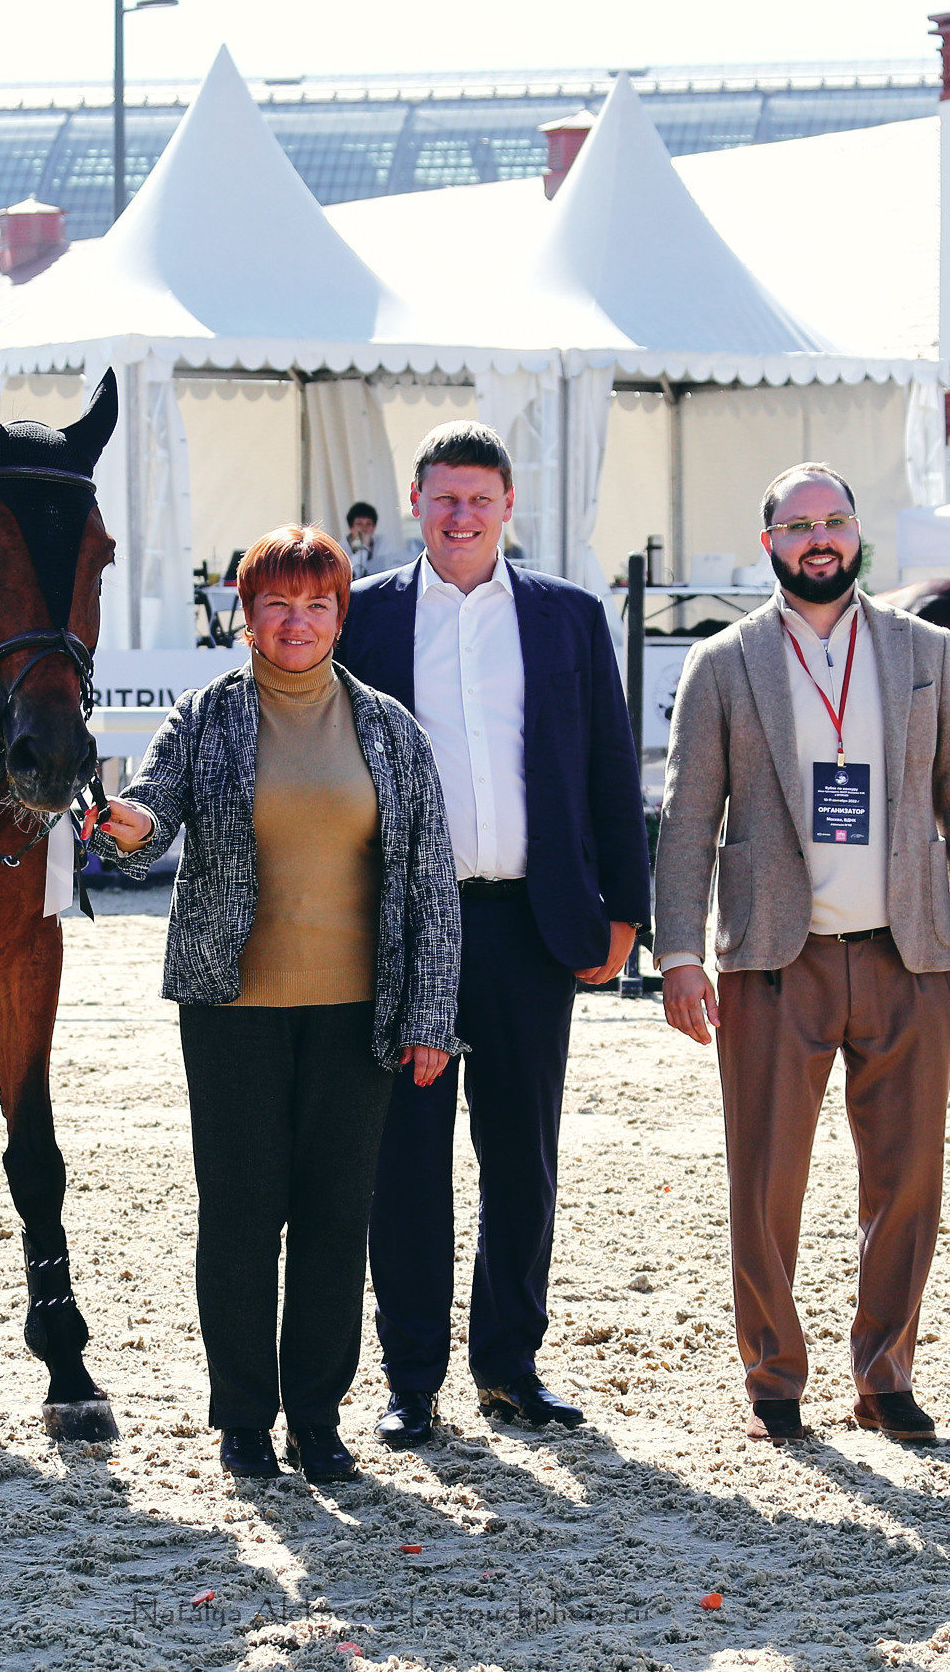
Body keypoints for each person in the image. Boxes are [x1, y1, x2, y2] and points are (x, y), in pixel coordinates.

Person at [88, 527, 462, 1481]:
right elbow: (151, 812)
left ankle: (320, 1419)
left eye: (317, 604)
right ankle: (246, 1421)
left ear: (341, 613)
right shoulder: (205, 717)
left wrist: (429, 1014)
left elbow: (428, 884)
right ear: (246, 616)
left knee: (338, 1217)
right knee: (242, 1214)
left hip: (358, 1016)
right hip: (231, 1008)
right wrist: (127, 826)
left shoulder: (388, 727)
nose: (297, 622)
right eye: (277, 605)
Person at [654, 462, 950, 1447]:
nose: (820, 538)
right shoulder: (722, 663)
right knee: (764, 1181)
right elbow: (686, 819)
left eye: (835, 521)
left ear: (857, 536)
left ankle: (884, 1377)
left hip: (910, 955)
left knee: (906, 1178)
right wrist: (680, 955)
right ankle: (774, 1379)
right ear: (768, 543)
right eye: (799, 524)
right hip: (773, 959)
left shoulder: (925, 650)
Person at [336, 420, 649, 1448]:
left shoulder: (564, 617)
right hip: (406, 928)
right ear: (416, 503)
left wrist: (625, 910)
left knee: (523, 1156)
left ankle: (509, 1368)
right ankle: (411, 1380)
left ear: (508, 506)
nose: (460, 514)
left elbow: (609, 763)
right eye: (443, 497)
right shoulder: (364, 618)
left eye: (479, 497)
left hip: (532, 921)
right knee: (407, 1161)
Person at [344, 500, 386, 577]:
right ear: (351, 527)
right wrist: (364, 547)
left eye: (368, 524)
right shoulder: (342, 547)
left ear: (374, 527)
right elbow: (356, 574)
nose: (364, 528)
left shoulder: (382, 543)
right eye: (359, 524)